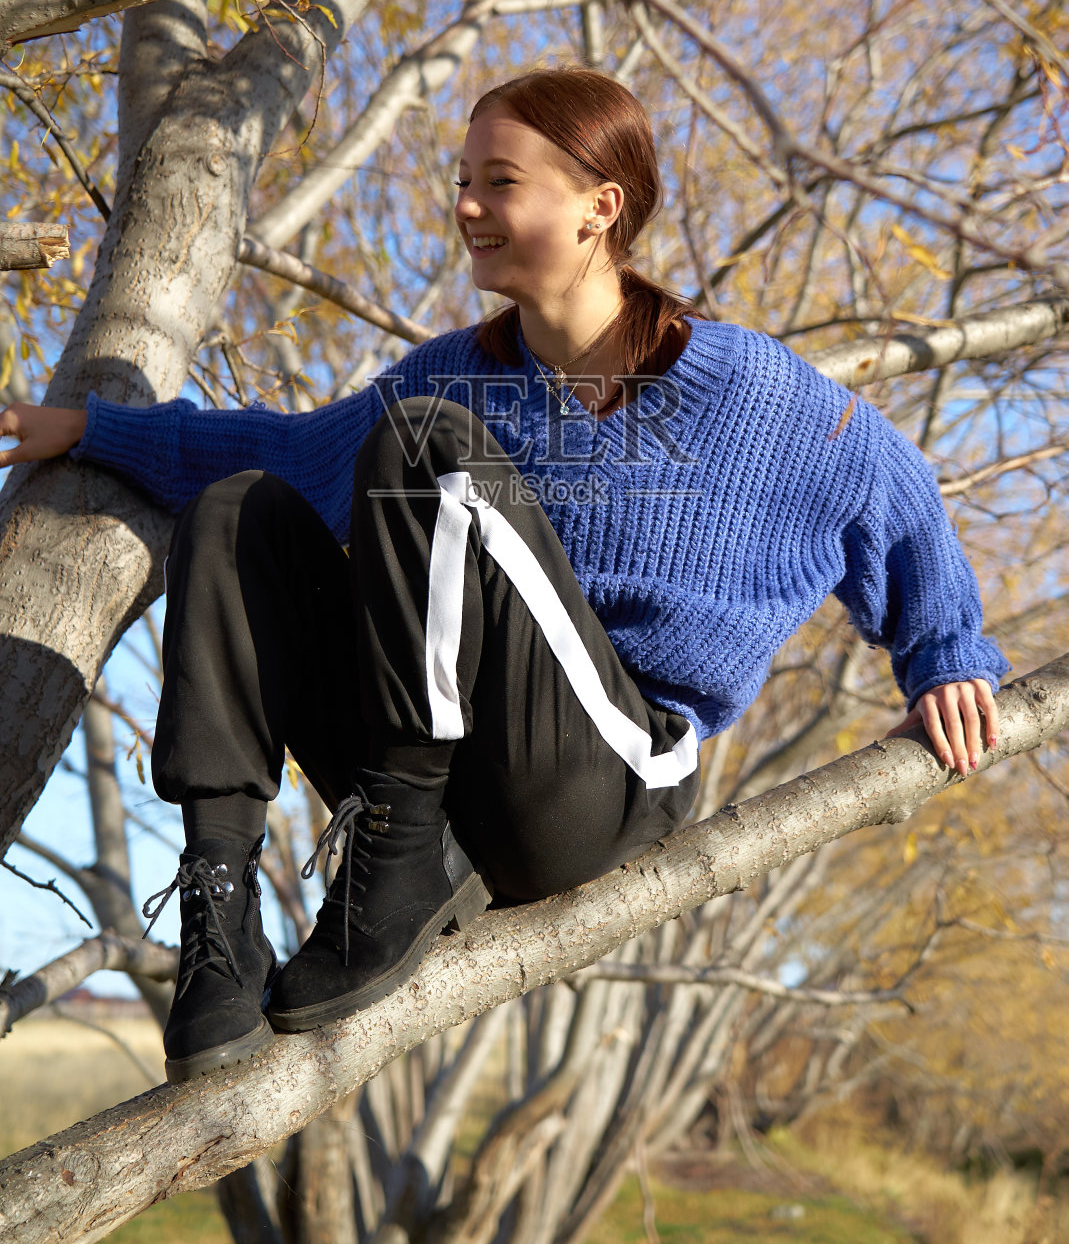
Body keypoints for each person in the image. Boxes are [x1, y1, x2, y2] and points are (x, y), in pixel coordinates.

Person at [0, 68, 1006, 1084]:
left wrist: (944, 652)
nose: (468, 205)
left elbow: (892, 489)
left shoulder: (750, 395)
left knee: (430, 448)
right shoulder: (452, 373)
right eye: (462, 179)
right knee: (240, 511)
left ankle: (393, 862)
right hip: (446, 793)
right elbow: (290, 451)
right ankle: (222, 907)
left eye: (500, 181)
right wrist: (91, 426)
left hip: (603, 780)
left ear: (597, 207)